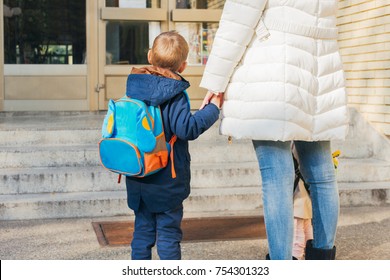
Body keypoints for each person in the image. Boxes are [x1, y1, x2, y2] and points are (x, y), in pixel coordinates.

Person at [200, 0, 348, 260]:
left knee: (277, 178)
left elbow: (238, 20)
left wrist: (216, 81)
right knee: (322, 174)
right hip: (318, 68)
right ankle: (322, 259)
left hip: (273, 69)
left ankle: (281, 264)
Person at [125, 31, 221, 260]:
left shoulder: (134, 86)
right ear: (184, 65)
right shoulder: (175, 93)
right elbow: (186, 128)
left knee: (142, 232)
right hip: (167, 179)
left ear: (150, 56)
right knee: (168, 235)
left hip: (138, 175)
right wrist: (213, 109)